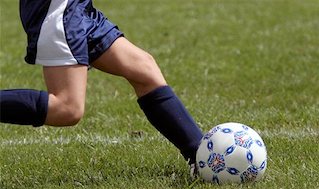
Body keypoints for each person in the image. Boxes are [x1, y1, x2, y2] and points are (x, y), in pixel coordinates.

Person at [0, 0, 203, 176]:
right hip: (59, 9)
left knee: (144, 70)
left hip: (76, 7)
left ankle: (202, 160)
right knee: (67, 109)